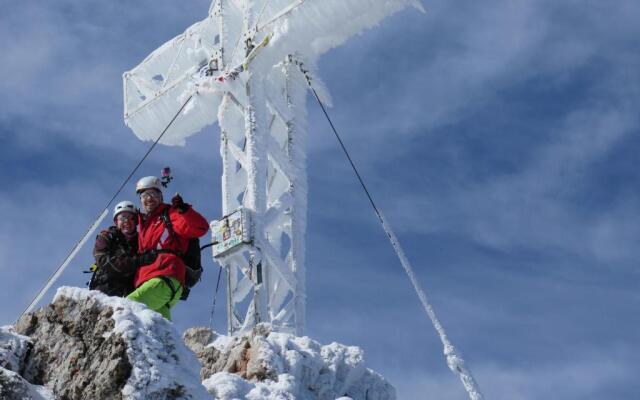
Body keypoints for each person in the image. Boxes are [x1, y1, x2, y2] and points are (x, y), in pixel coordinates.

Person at [126, 176, 209, 320]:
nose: (149, 198)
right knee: (159, 333)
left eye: (154, 194)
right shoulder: (142, 225)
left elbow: (200, 228)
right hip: (148, 281)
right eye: (145, 195)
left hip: (164, 278)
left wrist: (184, 210)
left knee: (126, 308)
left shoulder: (170, 214)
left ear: (161, 196)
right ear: (140, 199)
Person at [90, 201, 157, 297]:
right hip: (105, 290)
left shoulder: (142, 242)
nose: (126, 221)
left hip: (131, 294)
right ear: (116, 221)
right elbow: (103, 260)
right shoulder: (107, 237)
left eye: (131, 218)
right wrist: (137, 261)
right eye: (122, 218)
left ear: (136, 221)